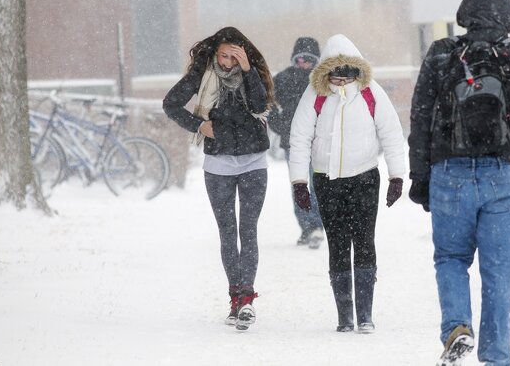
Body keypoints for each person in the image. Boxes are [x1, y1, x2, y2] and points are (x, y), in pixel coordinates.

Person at [408, 0, 510, 365]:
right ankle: (497, 357)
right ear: (508, 15)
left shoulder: (441, 55)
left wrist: (420, 176)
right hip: (505, 176)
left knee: (451, 258)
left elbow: (420, 119)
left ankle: (457, 327)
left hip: (450, 173)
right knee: (499, 273)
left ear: (465, 13)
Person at [289, 34, 406, 334]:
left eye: (348, 75)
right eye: (336, 75)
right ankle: (345, 315)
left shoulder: (371, 93)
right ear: (325, 73)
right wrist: (299, 182)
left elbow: (391, 133)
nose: (341, 82)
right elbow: (300, 138)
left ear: (357, 72)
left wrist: (396, 175)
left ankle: (365, 314)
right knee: (338, 245)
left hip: (365, 178)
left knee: (364, 241)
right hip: (327, 181)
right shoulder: (314, 96)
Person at [162, 26, 274, 332]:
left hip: (253, 162)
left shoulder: (252, 73)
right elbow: (170, 104)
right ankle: (235, 299)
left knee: (248, 230)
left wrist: (249, 70)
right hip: (218, 165)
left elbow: (260, 106)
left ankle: (247, 299)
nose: (227, 62)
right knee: (228, 232)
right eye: (223, 55)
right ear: (215, 54)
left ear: (243, 55)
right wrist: (199, 125)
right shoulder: (202, 75)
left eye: (233, 57)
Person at [267, 37, 325, 249]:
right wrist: (281, 126)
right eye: (299, 59)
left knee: (317, 185)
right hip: (293, 143)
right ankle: (308, 228)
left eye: (308, 60)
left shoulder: (323, 80)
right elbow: (269, 104)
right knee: (299, 186)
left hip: (319, 142)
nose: (303, 64)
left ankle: (316, 226)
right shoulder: (282, 79)